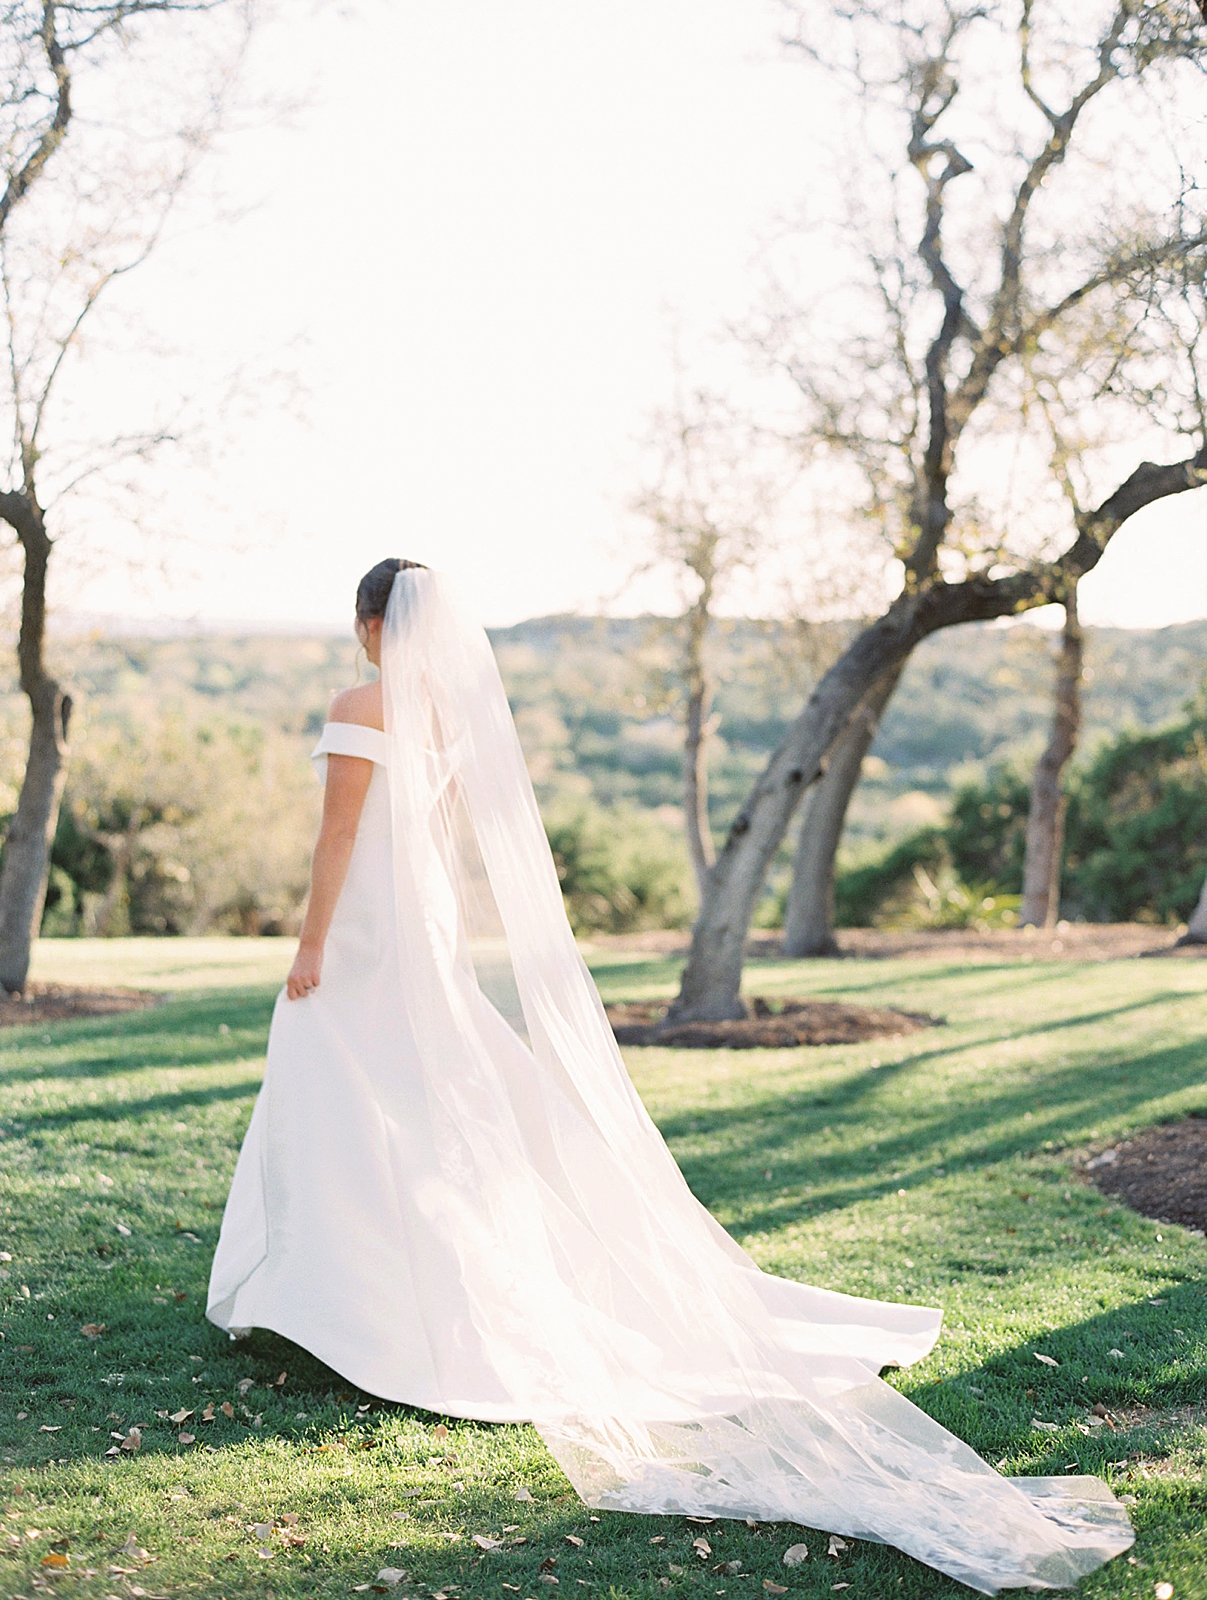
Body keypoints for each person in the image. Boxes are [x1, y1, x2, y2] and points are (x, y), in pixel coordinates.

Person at [208, 560, 1133, 1594]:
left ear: (374, 624)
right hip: (419, 939)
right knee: (421, 1111)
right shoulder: (448, 724)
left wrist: (309, 947)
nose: (362, 641)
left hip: (371, 941)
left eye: (360, 624)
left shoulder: (358, 706)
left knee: (348, 1098)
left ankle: (324, 1300)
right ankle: (340, 1296)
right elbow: (444, 851)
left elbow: (339, 837)